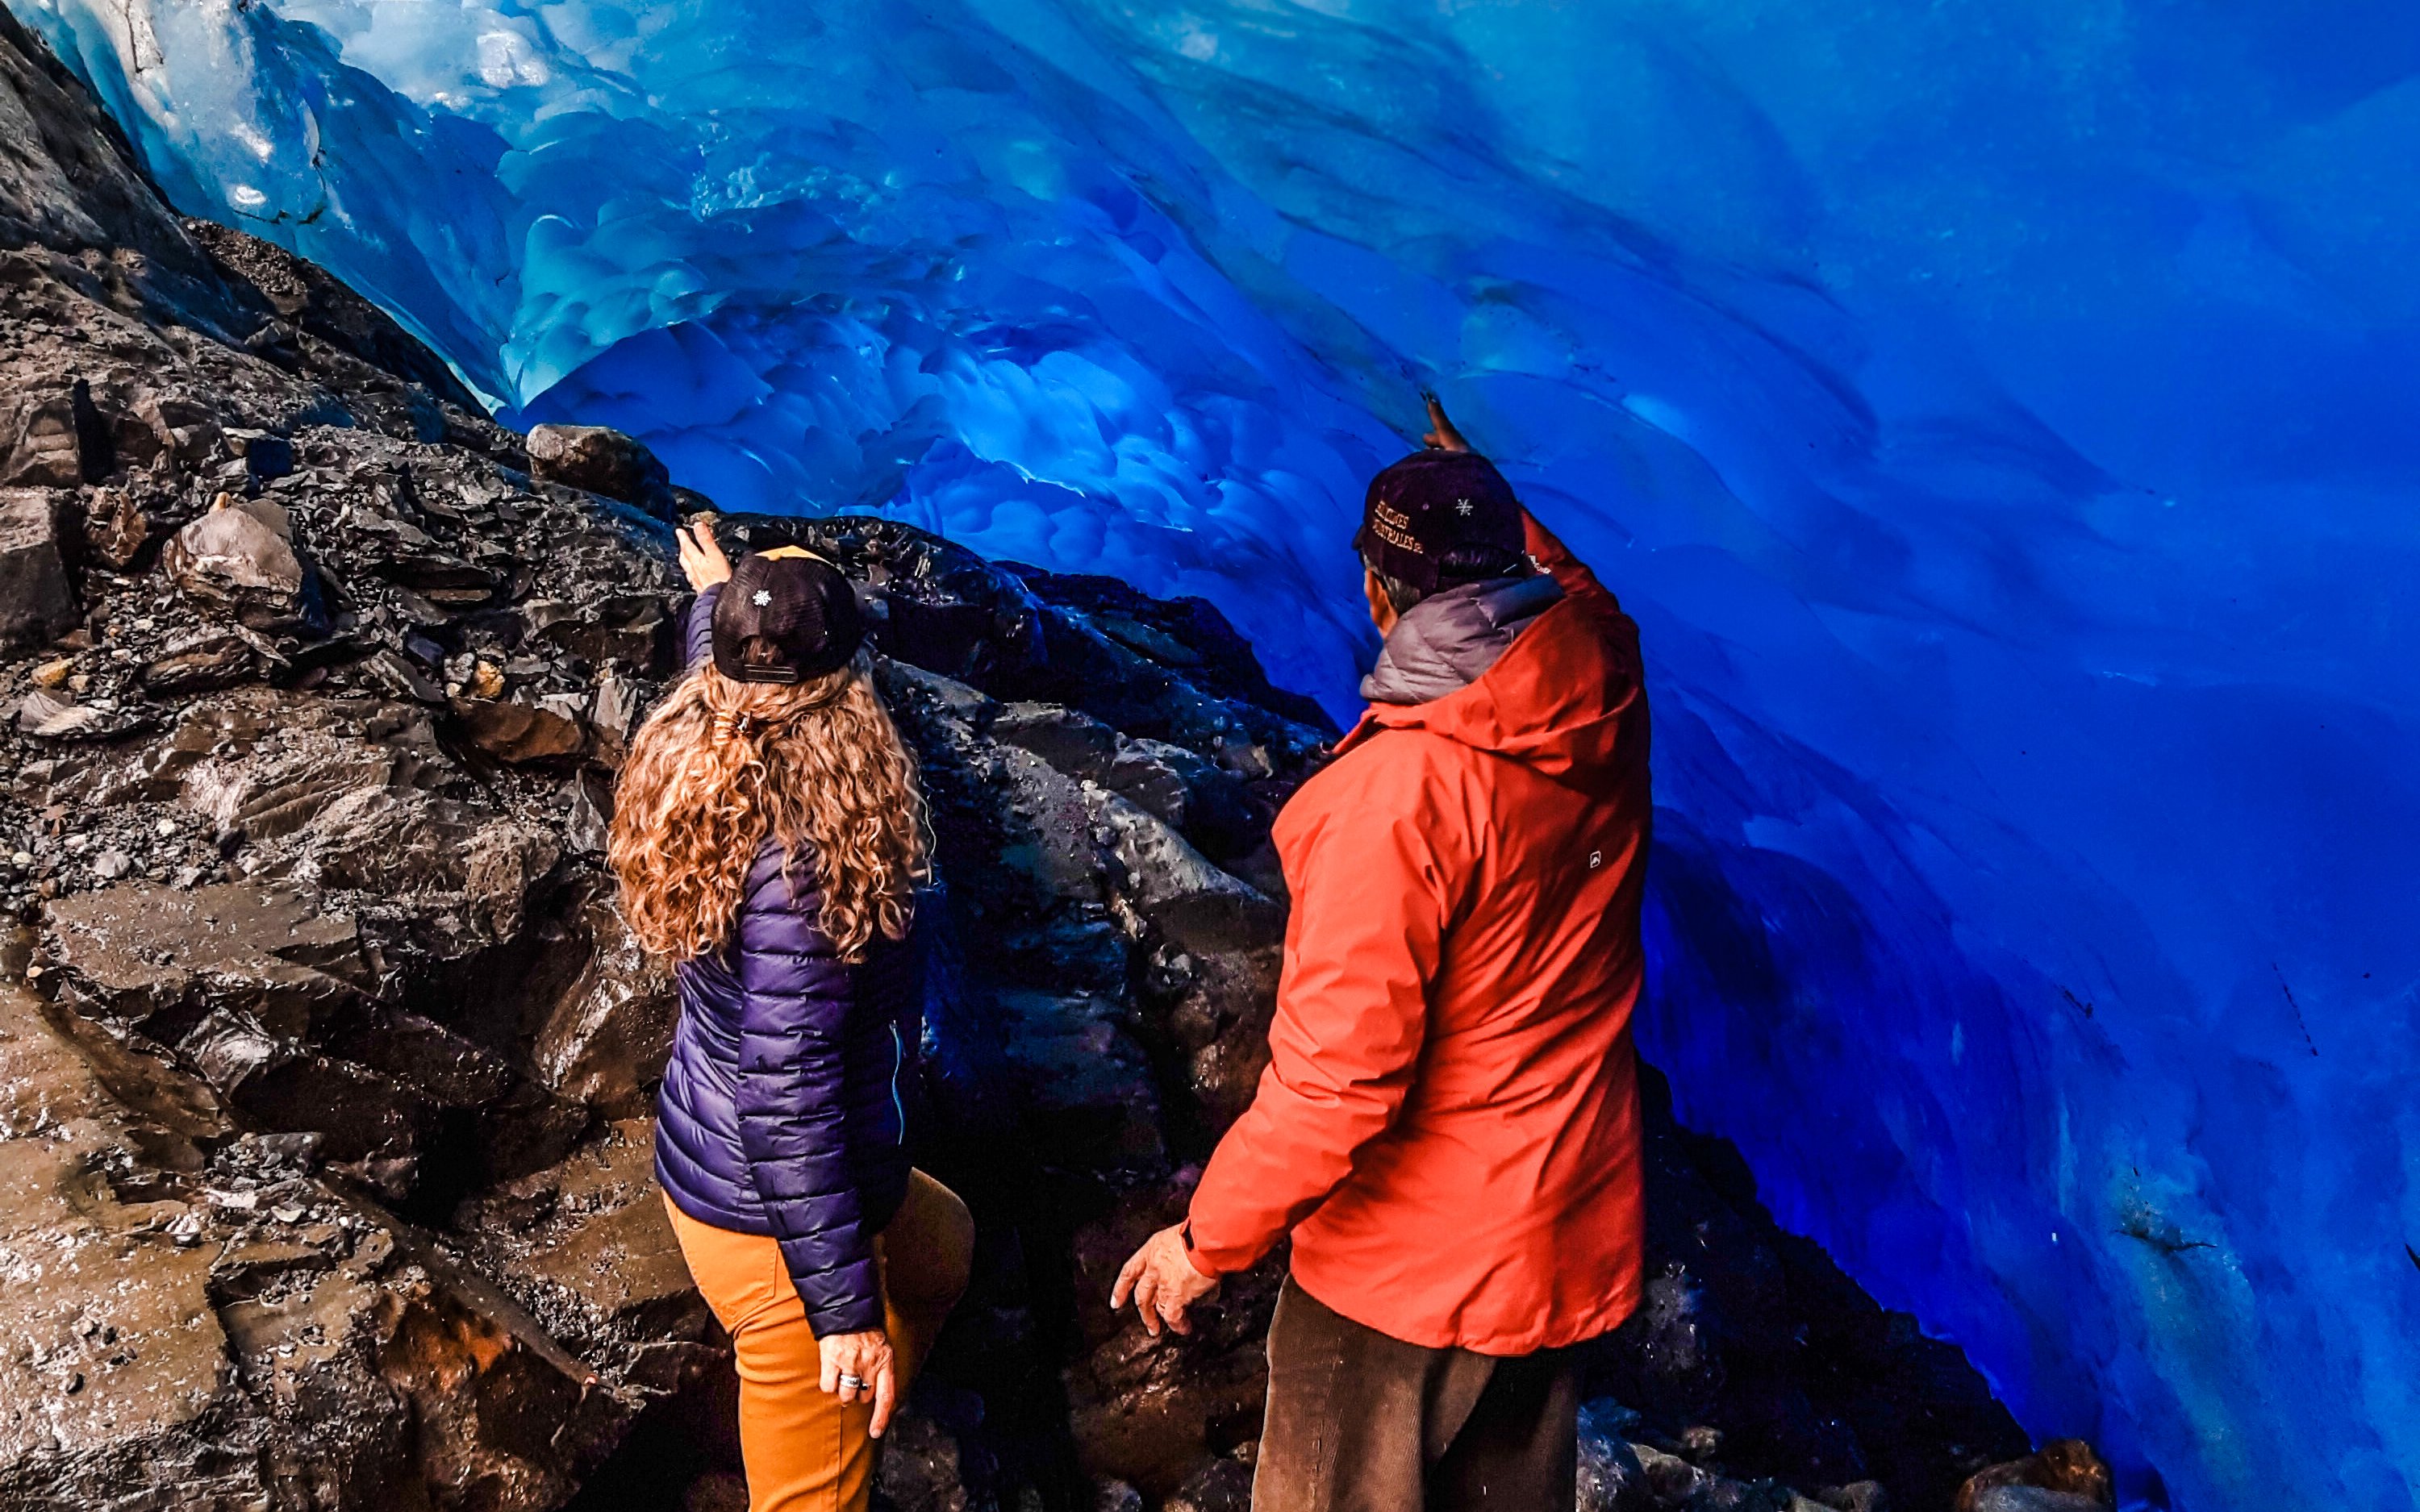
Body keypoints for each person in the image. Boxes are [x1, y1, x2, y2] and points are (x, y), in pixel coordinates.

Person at [1111, 397, 1654, 1512]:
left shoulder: (1394, 801)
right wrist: (1488, 491)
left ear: (1375, 591)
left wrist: (1204, 1241)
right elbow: (1589, 600)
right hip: (1560, 1229)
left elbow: (1338, 1087)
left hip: (1408, 1270)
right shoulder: (1605, 683)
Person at [611, 523, 975, 1512]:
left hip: (743, 1146)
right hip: (772, 1223)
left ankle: (861, 1409)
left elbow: (731, 662)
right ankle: (839, 1409)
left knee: (943, 1251)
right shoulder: (810, 866)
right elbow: (785, 1103)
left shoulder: (708, 731)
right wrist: (843, 1313)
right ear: (846, 680)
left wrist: (717, 598)